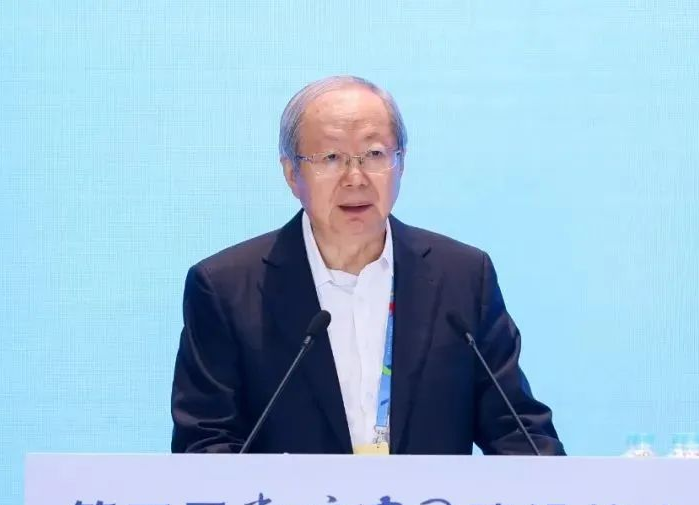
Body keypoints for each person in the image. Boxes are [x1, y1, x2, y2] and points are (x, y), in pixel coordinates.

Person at [170, 75, 564, 456]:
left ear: (401, 163)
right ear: (291, 173)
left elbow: (518, 431)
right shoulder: (226, 289)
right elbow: (205, 444)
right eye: (331, 158)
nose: (355, 178)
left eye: (374, 155)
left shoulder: (462, 278)